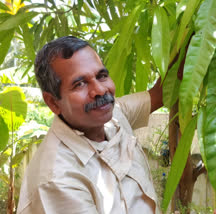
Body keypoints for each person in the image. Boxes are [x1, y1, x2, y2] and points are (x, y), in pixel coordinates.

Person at [17, 36, 164, 214]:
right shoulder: (57, 179)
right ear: (53, 102)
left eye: (101, 76)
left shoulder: (114, 115)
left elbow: (161, 93)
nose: (100, 90)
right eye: (80, 84)